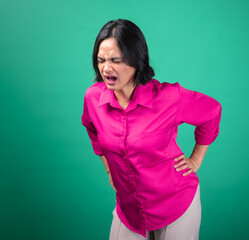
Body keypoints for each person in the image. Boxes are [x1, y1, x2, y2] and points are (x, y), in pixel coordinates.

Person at [81, 19, 222, 240]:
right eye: (101, 60)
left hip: (176, 206)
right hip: (130, 212)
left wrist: (195, 160)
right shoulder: (93, 98)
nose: (106, 68)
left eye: (115, 60)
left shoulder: (169, 98)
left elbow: (212, 111)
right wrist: (109, 169)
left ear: (136, 60)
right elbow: (93, 130)